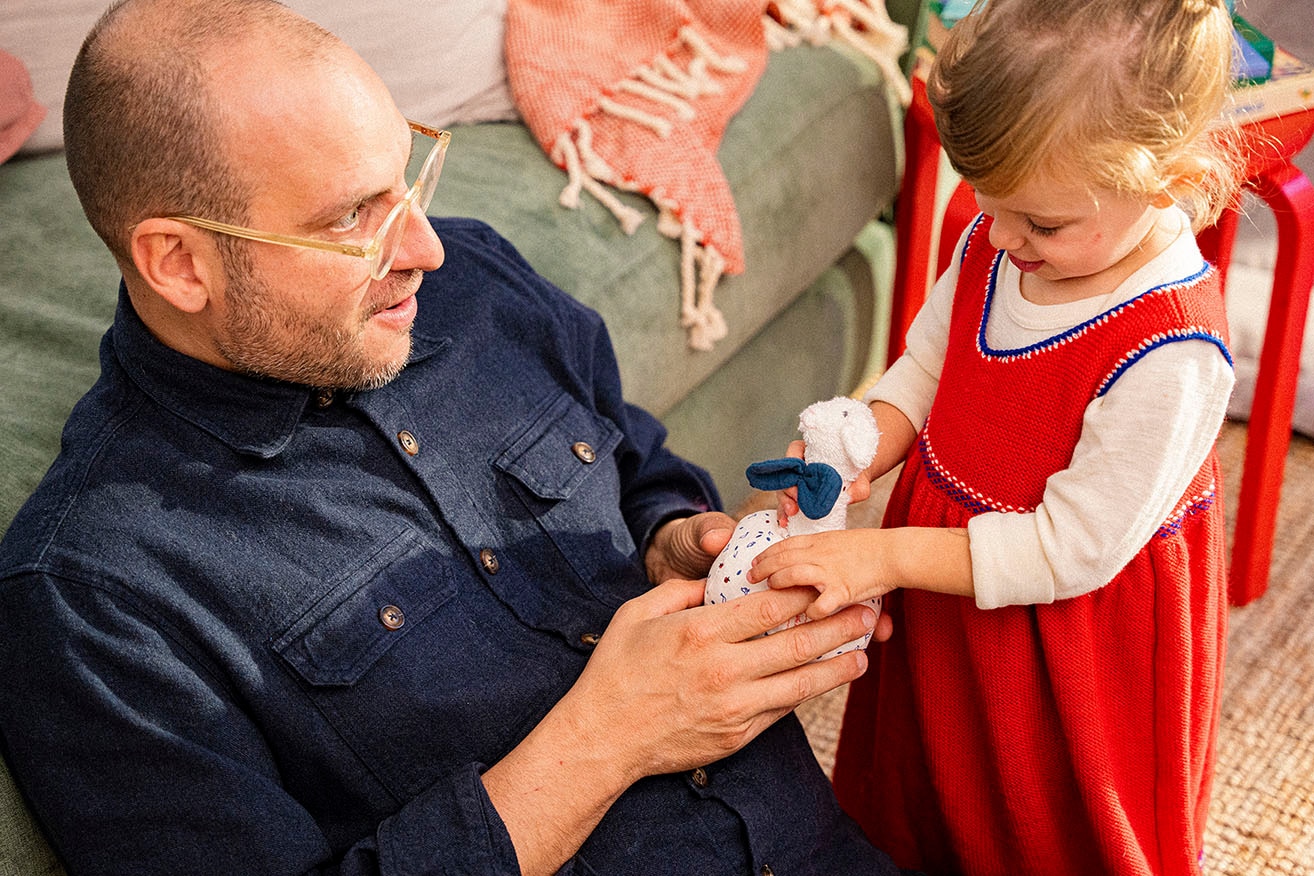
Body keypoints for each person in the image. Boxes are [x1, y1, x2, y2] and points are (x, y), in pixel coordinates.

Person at [0, 1, 909, 874]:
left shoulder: (472, 283)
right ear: (180, 263)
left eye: (408, 174)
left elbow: (633, 462)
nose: (427, 249)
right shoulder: (95, 599)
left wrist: (675, 539)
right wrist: (610, 739)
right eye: (352, 217)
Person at [748, 1, 1243, 873]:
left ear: (1166, 176)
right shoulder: (1001, 240)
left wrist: (883, 558)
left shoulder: (1171, 349)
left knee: (1035, 818)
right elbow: (930, 365)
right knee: (930, 782)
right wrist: (864, 439)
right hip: (947, 579)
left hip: (1065, 648)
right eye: (986, 200)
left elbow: (1069, 552)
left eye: (1041, 224)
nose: (1001, 236)